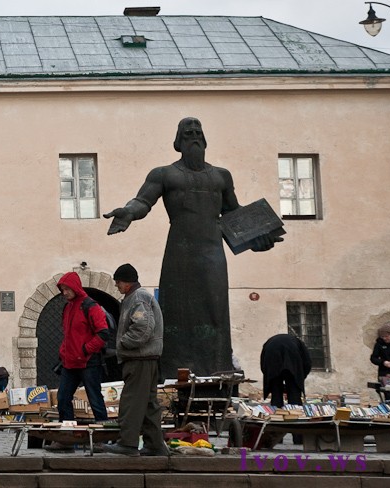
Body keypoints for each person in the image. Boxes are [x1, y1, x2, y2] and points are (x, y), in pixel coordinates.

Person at [104, 117, 280, 378]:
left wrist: (259, 237)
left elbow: (233, 213)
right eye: (188, 133)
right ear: (178, 141)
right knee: (177, 311)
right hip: (179, 252)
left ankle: (217, 368)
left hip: (213, 253)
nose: (194, 136)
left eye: (198, 132)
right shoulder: (164, 174)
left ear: (205, 139)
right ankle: (177, 371)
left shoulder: (221, 176)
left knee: (215, 311)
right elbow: (143, 201)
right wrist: (128, 212)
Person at [97, 264, 170, 457]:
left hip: (140, 358)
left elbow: (143, 327)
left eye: (118, 281)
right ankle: (155, 445)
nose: (117, 285)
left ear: (127, 282)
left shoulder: (138, 298)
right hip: (146, 358)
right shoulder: (135, 298)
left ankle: (127, 443)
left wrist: (123, 343)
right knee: (148, 403)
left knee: (132, 401)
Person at [55, 272, 109, 422]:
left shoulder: (90, 306)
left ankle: (102, 437)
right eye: (62, 289)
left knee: (95, 400)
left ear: (75, 287)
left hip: (88, 362)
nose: (64, 293)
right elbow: (68, 335)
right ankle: (67, 435)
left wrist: (86, 350)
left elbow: (103, 333)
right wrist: (64, 351)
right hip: (70, 362)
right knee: (63, 398)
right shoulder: (68, 307)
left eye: (67, 289)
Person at [260, 333, 312, 407]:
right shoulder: (298, 342)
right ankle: (295, 411)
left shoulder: (270, 342)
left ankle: (277, 412)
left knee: (276, 391)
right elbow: (307, 362)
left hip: (272, 355)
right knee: (294, 389)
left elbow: (263, 363)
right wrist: (300, 378)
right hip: (292, 359)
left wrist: (269, 376)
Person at [371, 323, 390, 400]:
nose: (385, 338)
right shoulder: (379, 344)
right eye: (383, 337)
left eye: (387, 336)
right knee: (389, 396)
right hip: (385, 374)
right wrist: (383, 362)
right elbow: (373, 358)